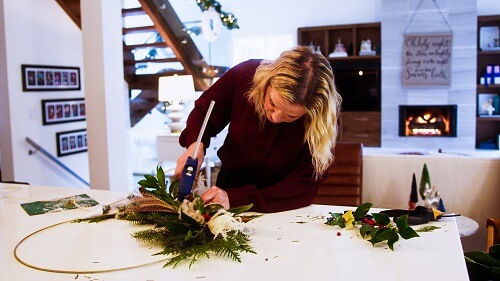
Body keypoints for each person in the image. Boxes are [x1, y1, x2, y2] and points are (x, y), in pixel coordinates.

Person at [174, 45, 342, 213]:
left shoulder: (322, 118)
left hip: (280, 202)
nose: (275, 118)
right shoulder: (244, 75)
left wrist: (239, 198)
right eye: (272, 103)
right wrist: (195, 146)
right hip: (227, 188)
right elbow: (205, 112)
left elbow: (306, 182)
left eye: (290, 116)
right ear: (267, 81)